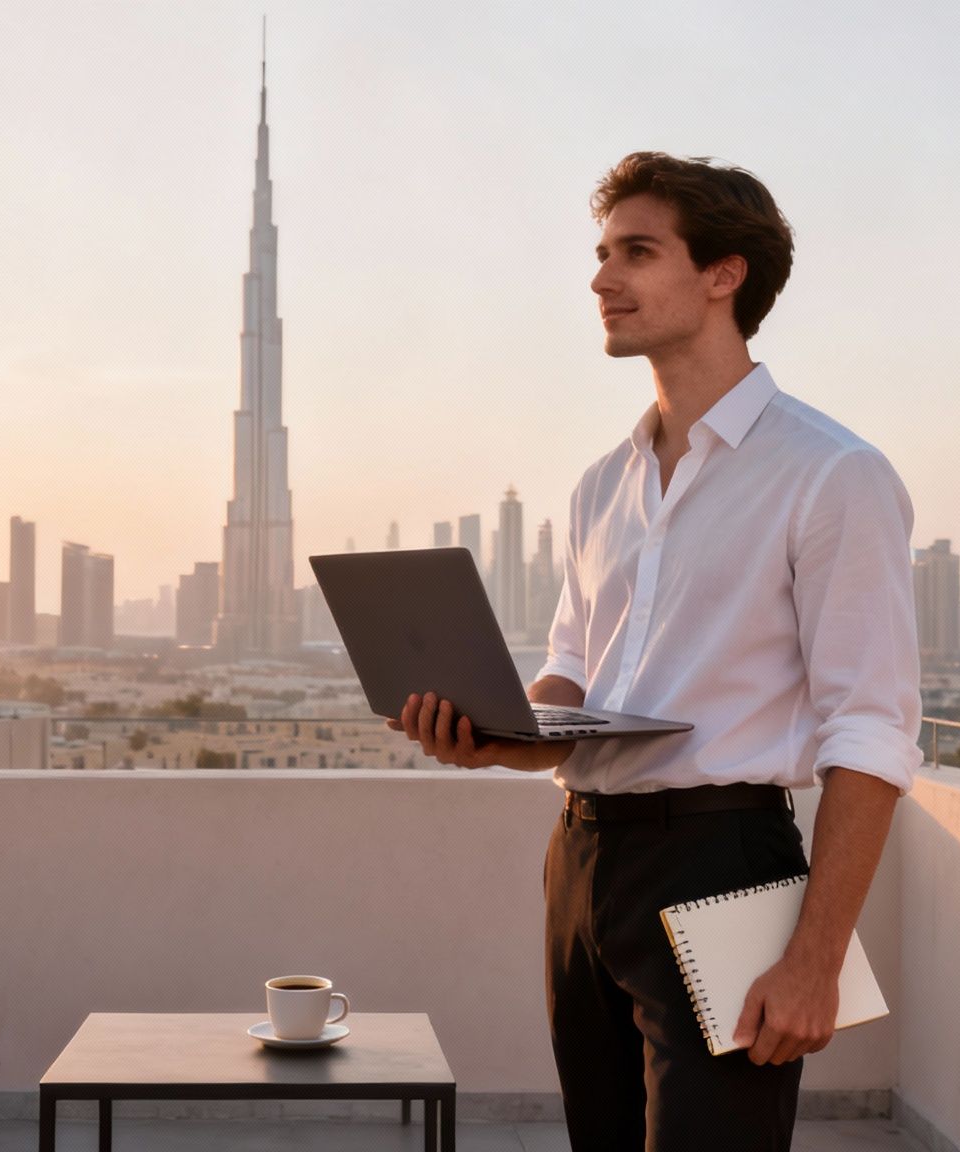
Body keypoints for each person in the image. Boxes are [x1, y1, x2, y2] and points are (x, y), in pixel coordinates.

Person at [390, 152, 921, 1150]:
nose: (601, 278)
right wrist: (491, 732)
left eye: (636, 252)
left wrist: (814, 956)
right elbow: (571, 686)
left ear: (723, 275)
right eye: (600, 253)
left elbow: (872, 733)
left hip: (723, 860)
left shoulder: (830, 475)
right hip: (581, 862)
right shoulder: (602, 484)